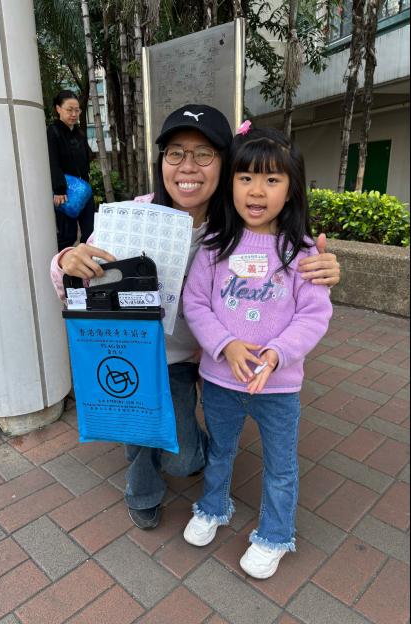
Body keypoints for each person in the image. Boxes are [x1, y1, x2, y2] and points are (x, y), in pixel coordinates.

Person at [49, 105, 340, 530]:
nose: (188, 166)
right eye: (176, 153)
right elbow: (78, 273)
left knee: (185, 459)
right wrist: (66, 261)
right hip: (135, 351)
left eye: (204, 154)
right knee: (141, 424)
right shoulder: (135, 216)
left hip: (191, 359)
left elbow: (287, 260)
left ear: (225, 164)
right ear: (162, 161)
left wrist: (324, 266)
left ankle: (169, 435)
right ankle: (142, 486)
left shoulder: (234, 225)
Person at [180, 125, 333, 580]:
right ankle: (213, 506)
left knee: (280, 466)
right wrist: (225, 345)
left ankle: (275, 534)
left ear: (292, 188)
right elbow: (196, 302)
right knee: (220, 450)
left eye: (272, 179)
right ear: (231, 183)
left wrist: (277, 354)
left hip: (278, 387)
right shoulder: (216, 244)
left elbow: (313, 315)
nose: (257, 191)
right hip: (220, 380)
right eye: (245, 177)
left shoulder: (302, 252)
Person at [47, 90, 96, 251]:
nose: (74, 114)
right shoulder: (53, 132)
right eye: (69, 110)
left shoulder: (79, 133)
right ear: (58, 109)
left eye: (77, 110)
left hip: (83, 189)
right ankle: (59, 264)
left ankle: (84, 263)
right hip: (64, 192)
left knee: (90, 233)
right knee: (67, 235)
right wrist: (59, 189)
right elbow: (52, 161)